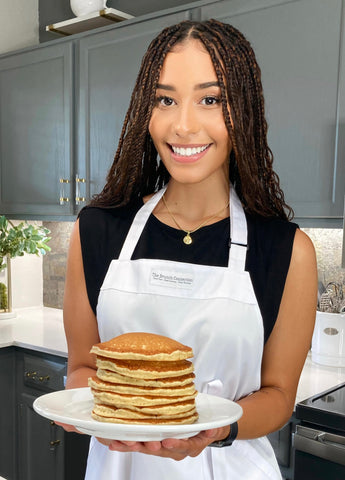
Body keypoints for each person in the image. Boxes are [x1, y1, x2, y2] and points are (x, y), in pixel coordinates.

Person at [62, 19, 317, 480]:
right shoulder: (97, 231)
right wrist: (99, 418)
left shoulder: (287, 250)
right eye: (165, 99)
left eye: (210, 99)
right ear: (146, 110)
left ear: (244, 110)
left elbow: (279, 396)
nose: (182, 125)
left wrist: (211, 432)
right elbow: (82, 367)